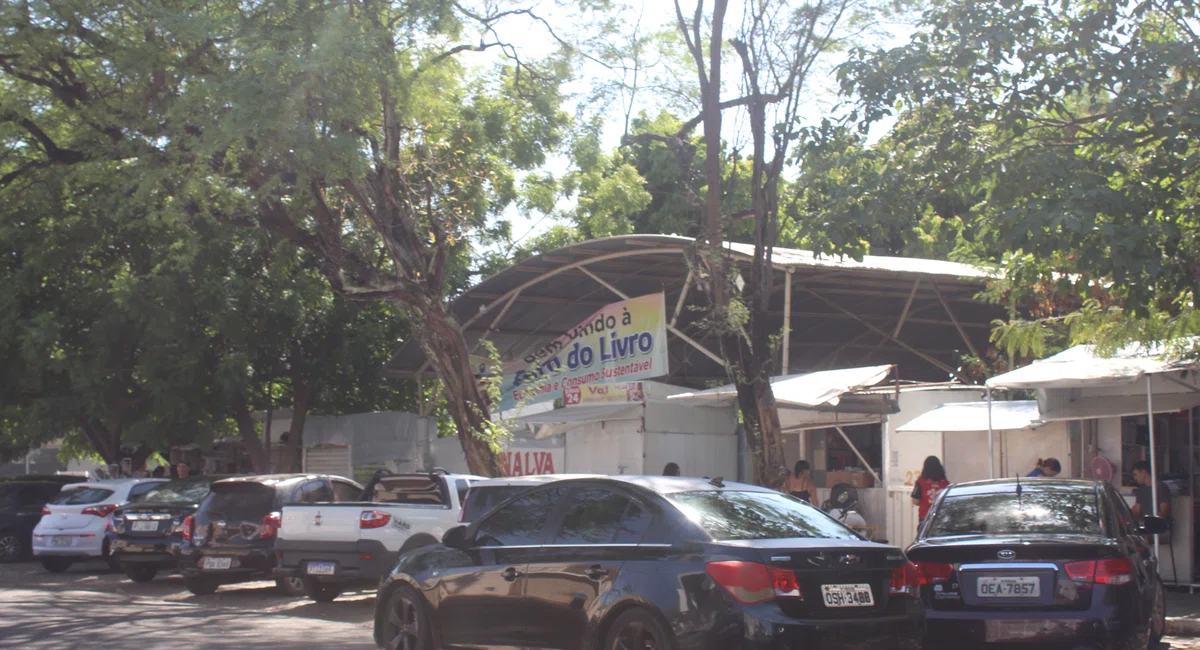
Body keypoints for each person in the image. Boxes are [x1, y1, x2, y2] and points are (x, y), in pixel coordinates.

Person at [911, 456, 949, 522]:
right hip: (941, 517)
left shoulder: (921, 482)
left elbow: (915, 501)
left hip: (925, 517)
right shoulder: (945, 483)